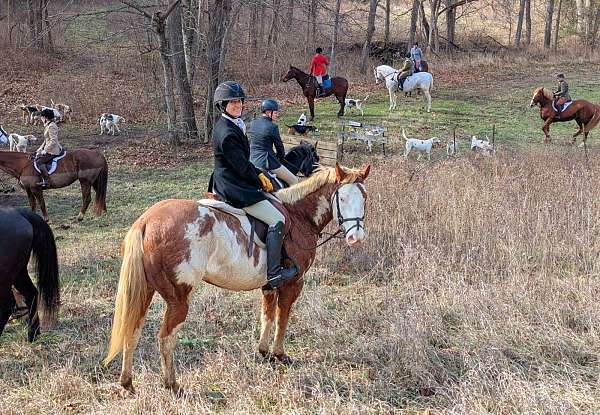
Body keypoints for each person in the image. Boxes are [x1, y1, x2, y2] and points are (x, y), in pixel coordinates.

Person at [211, 81, 298, 289]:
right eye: (232, 102)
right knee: (277, 219)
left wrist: (259, 173)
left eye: (239, 101)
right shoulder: (228, 133)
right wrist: (259, 179)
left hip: (231, 179)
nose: (238, 105)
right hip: (234, 186)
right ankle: (274, 274)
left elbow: (244, 163)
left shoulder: (231, 124)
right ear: (223, 105)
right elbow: (241, 167)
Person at [249, 99, 299, 187]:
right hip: (266, 162)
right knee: (294, 181)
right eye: (275, 113)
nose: (277, 115)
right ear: (268, 112)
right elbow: (279, 147)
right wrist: (280, 158)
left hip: (252, 160)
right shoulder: (272, 127)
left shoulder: (253, 123)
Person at [35, 108, 62, 188]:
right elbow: (46, 140)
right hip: (48, 148)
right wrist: (40, 148)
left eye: (42, 117)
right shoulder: (48, 125)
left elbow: (53, 141)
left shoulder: (51, 126)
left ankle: (47, 181)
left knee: (39, 162)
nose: (41, 118)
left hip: (53, 150)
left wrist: (45, 150)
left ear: (46, 117)